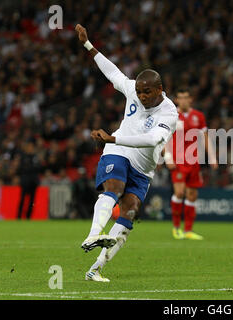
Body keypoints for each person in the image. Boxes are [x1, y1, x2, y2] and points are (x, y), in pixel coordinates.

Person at [75, 24, 178, 282]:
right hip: (117, 151)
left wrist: (113, 136)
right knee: (115, 187)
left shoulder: (169, 112)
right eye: (139, 91)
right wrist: (89, 45)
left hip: (143, 167)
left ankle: (95, 269)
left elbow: (153, 139)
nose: (141, 96)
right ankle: (94, 234)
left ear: (159, 89)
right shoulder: (132, 89)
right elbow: (112, 72)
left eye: (147, 92)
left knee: (130, 210)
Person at [164, 87, 217, 240]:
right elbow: (164, 137)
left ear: (190, 99)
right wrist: (168, 157)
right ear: (177, 100)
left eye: (186, 97)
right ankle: (176, 228)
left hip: (194, 161)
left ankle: (188, 230)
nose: (183, 100)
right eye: (180, 97)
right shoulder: (172, 115)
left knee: (192, 195)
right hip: (178, 161)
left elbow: (205, 137)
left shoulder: (198, 116)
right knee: (180, 193)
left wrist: (212, 157)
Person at [17, 140, 41, 219]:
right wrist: (30, 168)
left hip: (33, 182)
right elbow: (20, 169)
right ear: (27, 148)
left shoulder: (35, 157)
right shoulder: (23, 157)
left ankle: (28, 217)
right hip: (25, 181)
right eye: (29, 147)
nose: (30, 148)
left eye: (31, 147)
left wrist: (28, 168)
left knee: (31, 201)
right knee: (22, 199)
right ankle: (19, 216)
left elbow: (38, 168)